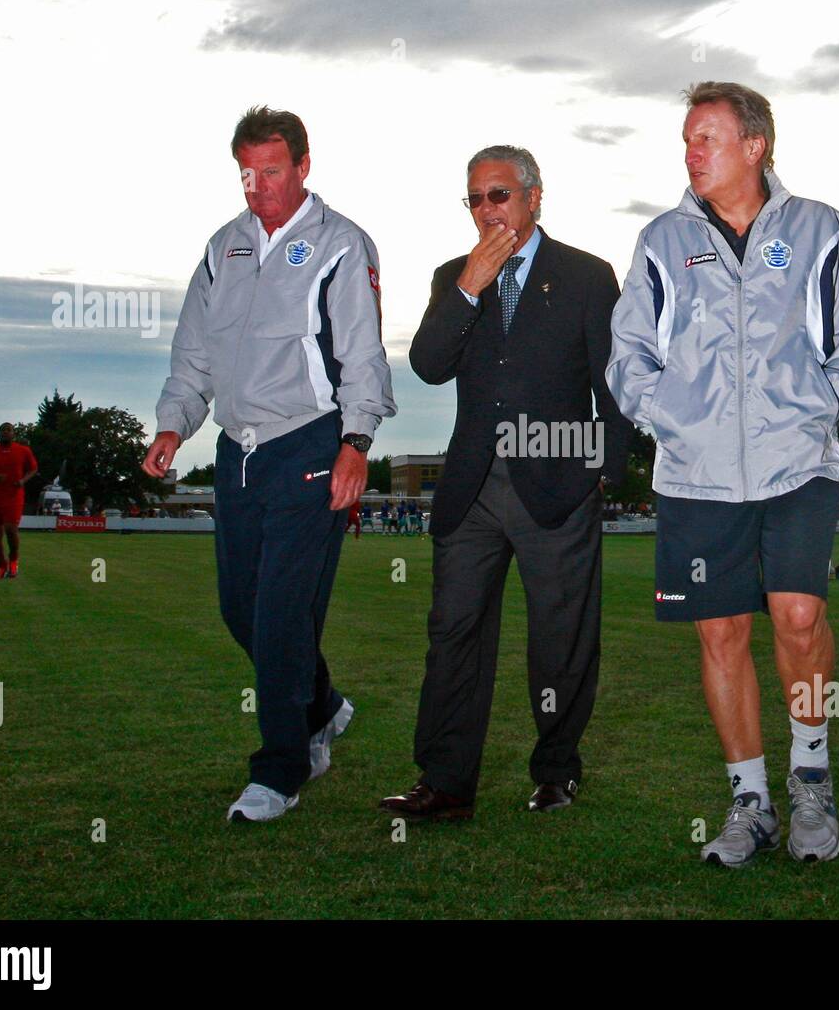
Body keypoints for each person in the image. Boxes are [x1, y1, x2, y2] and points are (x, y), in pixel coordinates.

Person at [607, 82, 839, 867]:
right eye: (688, 140)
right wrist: (670, 416)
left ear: (755, 145)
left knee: (797, 615)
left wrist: (825, 403)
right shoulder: (661, 240)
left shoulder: (819, 228)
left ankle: (813, 782)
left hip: (797, 463)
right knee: (721, 632)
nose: (691, 153)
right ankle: (751, 803)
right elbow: (630, 353)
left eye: (707, 138)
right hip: (695, 475)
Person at [142, 105, 396, 823]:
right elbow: (193, 353)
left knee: (282, 615)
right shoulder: (224, 248)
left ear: (303, 166)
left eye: (272, 172)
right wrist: (172, 424)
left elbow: (362, 353)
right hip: (236, 452)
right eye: (246, 174)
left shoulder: (341, 244)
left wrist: (357, 442)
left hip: (311, 446)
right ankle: (323, 703)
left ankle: (282, 769)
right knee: (240, 610)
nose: (257, 187)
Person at [379, 144, 631, 820]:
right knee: (453, 632)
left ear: (533, 197)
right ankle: (445, 781)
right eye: (476, 199)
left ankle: (556, 772)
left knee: (561, 638)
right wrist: (468, 287)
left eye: (500, 195)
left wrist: (602, 471)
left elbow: (616, 383)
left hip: (557, 486)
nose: (487, 210)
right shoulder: (452, 275)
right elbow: (430, 365)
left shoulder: (586, 275)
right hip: (471, 490)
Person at [0, 422, 39, 578]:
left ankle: (13, 561)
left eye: (8, 430)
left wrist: (23, 481)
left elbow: (33, 468)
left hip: (14, 495)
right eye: (2, 430)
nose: (5, 432)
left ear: (13, 433)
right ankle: (2, 565)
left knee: (11, 529)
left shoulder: (23, 451)